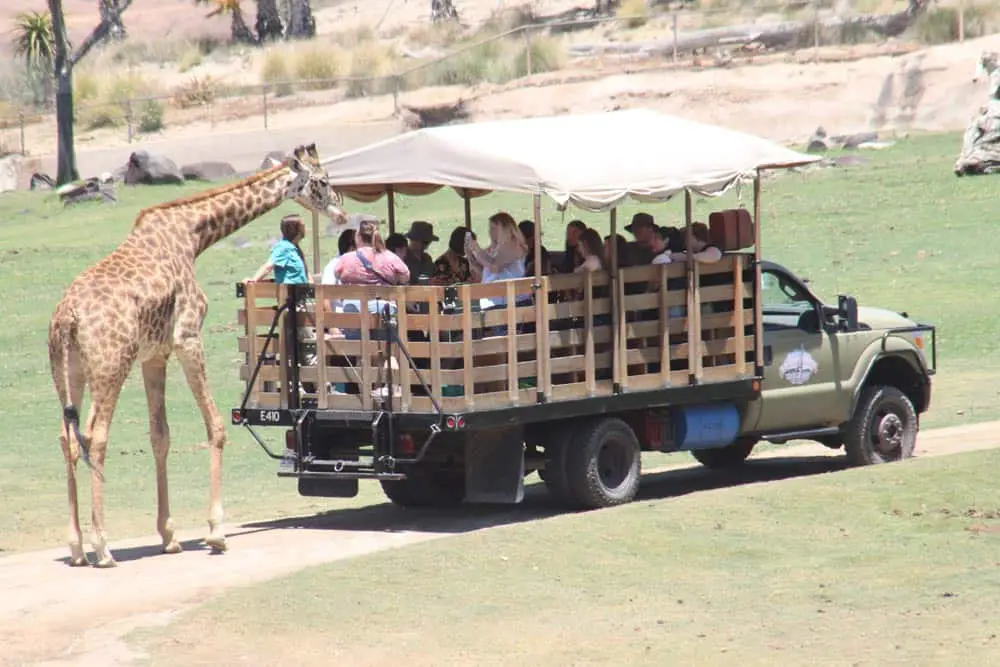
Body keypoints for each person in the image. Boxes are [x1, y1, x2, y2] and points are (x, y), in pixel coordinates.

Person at [245, 214, 309, 285]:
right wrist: (253, 280)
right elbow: (268, 267)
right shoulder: (283, 247)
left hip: (300, 293)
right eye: (303, 226)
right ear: (295, 229)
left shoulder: (294, 248)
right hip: (289, 294)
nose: (305, 229)